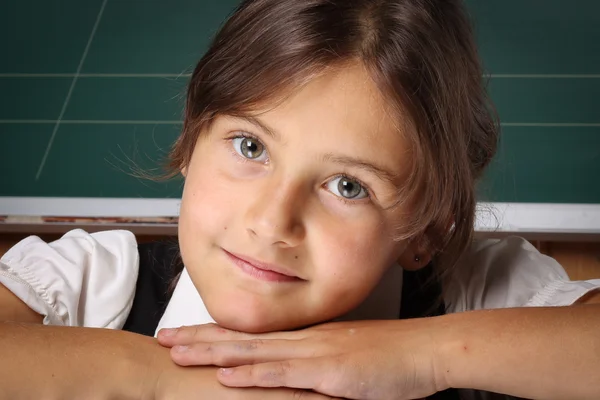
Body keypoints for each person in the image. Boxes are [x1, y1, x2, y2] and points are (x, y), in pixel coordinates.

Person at [1, 0, 599, 399]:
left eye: (348, 186)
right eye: (249, 146)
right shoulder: (94, 282)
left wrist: (424, 358)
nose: (271, 220)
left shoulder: (474, 296)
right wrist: (162, 380)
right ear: (190, 140)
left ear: (425, 232)